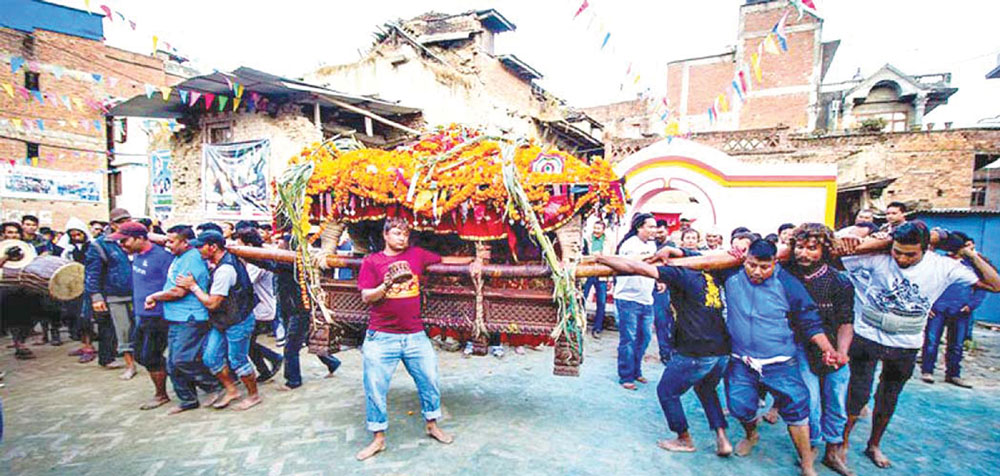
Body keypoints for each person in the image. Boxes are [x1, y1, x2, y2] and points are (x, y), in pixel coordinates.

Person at [838, 221, 1000, 469]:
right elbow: (836, 254)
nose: (902, 259)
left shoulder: (944, 266)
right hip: (868, 336)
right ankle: (843, 444)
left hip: (906, 342)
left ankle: (873, 444)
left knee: (888, 397)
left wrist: (968, 253)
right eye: (897, 251)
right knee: (857, 393)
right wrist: (874, 241)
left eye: (910, 254)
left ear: (926, 249)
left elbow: (994, 284)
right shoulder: (877, 258)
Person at [354, 217, 474, 461]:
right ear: (386, 235)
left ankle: (432, 424)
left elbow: (446, 260)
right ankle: (378, 438)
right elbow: (367, 297)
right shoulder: (372, 261)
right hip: (381, 336)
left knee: (429, 380)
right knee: (375, 388)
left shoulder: (416, 255)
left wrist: (475, 261)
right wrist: (386, 285)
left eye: (405, 234)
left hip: (415, 335)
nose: (402, 238)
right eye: (397, 233)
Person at [596, 247, 734, 457]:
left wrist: (601, 258)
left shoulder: (681, 272)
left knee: (667, 392)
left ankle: (684, 439)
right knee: (707, 389)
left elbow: (636, 267)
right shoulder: (711, 274)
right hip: (722, 351)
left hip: (697, 350)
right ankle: (722, 440)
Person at [723, 239, 839, 476]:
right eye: (752, 265)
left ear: (775, 262)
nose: (757, 271)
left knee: (797, 411)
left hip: (780, 361)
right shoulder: (730, 276)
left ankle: (807, 463)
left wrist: (827, 348)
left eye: (764, 266)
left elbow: (810, 321)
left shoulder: (787, 283)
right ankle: (751, 434)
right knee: (739, 407)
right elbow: (694, 260)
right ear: (745, 260)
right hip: (741, 361)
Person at [785, 224, 855, 476]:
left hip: (835, 347)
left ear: (825, 250)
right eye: (800, 247)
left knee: (836, 398)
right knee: (810, 399)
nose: (804, 253)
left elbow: (847, 320)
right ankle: (810, 446)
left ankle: (833, 451)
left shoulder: (839, 281)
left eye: (812, 248)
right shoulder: (786, 274)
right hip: (801, 347)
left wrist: (842, 352)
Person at [176, 230, 262, 411]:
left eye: (201, 246)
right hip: (223, 320)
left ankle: (253, 396)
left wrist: (192, 286)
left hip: (237, 320)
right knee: (211, 357)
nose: (198, 250)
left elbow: (213, 303)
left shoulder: (225, 270)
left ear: (213, 247)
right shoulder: (219, 263)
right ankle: (232, 390)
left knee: (237, 360)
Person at [246, 232, 344, 390]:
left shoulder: (293, 262)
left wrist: (247, 255)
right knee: (305, 339)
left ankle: (293, 381)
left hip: (299, 310)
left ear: (289, 246)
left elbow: (268, 264)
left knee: (290, 347)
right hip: (287, 307)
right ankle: (332, 363)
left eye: (280, 242)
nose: (277, 244)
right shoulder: (288, 260)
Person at [144, 226, 221, 415]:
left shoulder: (192, 260)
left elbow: (178, 292)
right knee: (172, 362)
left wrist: (154, 296)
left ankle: (213, 385)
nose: (167, 244)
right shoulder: (180, 257)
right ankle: (188, 399)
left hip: (190, 317)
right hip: (177, 317)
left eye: (171, 241)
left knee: (181, 359)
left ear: (185, 242)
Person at [112, 222, 174, 410]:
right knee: (139, 354)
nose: (122, 245)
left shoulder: (163, 257)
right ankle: (171, 375)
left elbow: (174, 286)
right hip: (141, 314)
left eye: (125, 241)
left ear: (140, 239)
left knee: (151, 355)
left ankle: (162, 394)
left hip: (159, 315)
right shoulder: (137, 255)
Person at [920, 231, 987, 388]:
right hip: (938, 308)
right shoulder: (940, 262)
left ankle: (953, 374)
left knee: (956, 344)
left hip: (961, 310)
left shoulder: (972, 265)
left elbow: (981, 289)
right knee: (931, 341)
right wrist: (927, 305)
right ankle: (927, 371)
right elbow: (926, 282)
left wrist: (971, 305)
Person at [84, 207, 136, 377]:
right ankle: (130, 366)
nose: (125, 224)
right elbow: (92, 273)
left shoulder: (136, 239)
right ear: (113, 225)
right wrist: (96, 296)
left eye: (127, 220)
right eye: (120, 222)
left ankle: (142, 360)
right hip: (115, 295)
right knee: (123, 331)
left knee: (141, 329)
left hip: (138, 293)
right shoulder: (100, 245)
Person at [613, 213, 658, 390]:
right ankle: (626, 375)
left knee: (645, 337)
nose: (654, 230)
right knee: (628, 339)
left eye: (655, 227)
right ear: (639, 227)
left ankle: (636, 370)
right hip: (628, 298)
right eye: (650, 226)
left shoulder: (652, 245)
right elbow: (631, 264)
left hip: (647, 299)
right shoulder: (629, 245)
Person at [59, 218, 97, 361]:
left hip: (88, 286)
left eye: (78, 235)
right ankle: (83, 343)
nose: (76, 238)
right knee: (74, 315)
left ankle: (89, 346)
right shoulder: (68, 250)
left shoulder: (93, 246)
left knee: (85, 316)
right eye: (73, 235)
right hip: (73, 288)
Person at [0, 222, 36, 360]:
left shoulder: (27, 247)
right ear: (3, 234)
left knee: (23, 317)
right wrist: (6, 256)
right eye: (10, 232)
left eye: (16, 232)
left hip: (22, 286)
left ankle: (20, 344)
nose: (13, 235)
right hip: (3, 287)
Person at [582, 221, 608, 338]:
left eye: (599, 228)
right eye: (595, 228)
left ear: (603, 230)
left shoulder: (608, 242)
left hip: (602, 274)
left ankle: (597, 328)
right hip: (588, 272)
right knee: (582, 299)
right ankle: (580, 324)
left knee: (601, 302)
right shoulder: (586, 239)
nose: (596, 230)